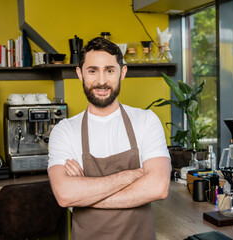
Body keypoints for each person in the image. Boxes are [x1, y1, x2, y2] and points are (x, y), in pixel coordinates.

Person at [48, 37, 171, 240]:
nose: (102, 81)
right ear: (80, 74)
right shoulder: (64, 131)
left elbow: (158, 187)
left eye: (110, 70)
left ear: (122, 73)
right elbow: (65, 195)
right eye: (92, 70)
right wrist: (131, 175)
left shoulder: (146, 121)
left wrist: (85, 194)